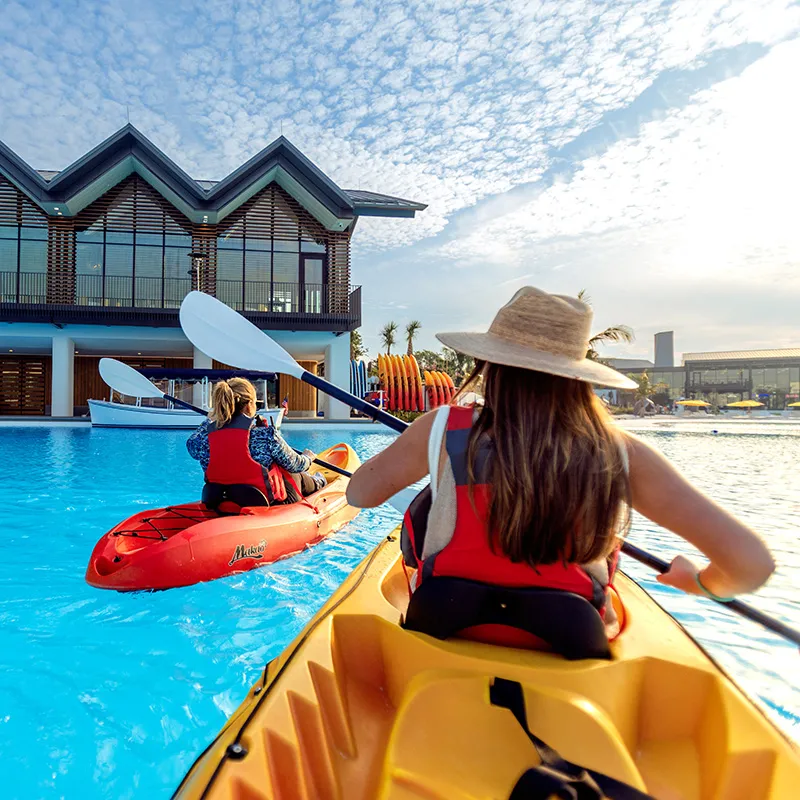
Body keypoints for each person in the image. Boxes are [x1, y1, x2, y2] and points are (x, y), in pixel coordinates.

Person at [346, 287, 775, 649]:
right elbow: (750, 564)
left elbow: (358, 494)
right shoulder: (621, 452)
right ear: (576, 376)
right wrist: (700, 582)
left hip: (443, 626)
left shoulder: (440, 428)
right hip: (570, 641)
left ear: (489, 365)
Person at [187, 377, 325, 504]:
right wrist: (308, 458)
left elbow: (191, 444)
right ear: (249, 405)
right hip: (263, 502)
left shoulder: (202, 440)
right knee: (291, 471)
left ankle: (314, 480)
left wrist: (214, 416)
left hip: (220, 498)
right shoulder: (266, 436)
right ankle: (318, 482)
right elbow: (296, 465)